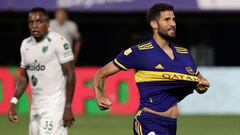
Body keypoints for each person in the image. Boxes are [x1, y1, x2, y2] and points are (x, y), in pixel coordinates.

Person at [93, 3, 210, 135]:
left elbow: (199, 81)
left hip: (171, 126)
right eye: (167, 20)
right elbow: (101, 73)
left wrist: (202, 86)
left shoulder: (184, 54)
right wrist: (99, 95)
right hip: (148, 123)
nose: (173, 24)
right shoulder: (138, 53)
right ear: (154, 24)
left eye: (173, 19)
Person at [8, 7, 76, 135]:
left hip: (55, 105)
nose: (35, 26)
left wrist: (67, 107)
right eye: (31, 22)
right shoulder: (25, 45)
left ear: (48, 24)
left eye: (39, 22)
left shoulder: (58, 42)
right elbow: (23, 76)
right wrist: (14, 101)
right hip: (36, 106)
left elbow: (70, 74)